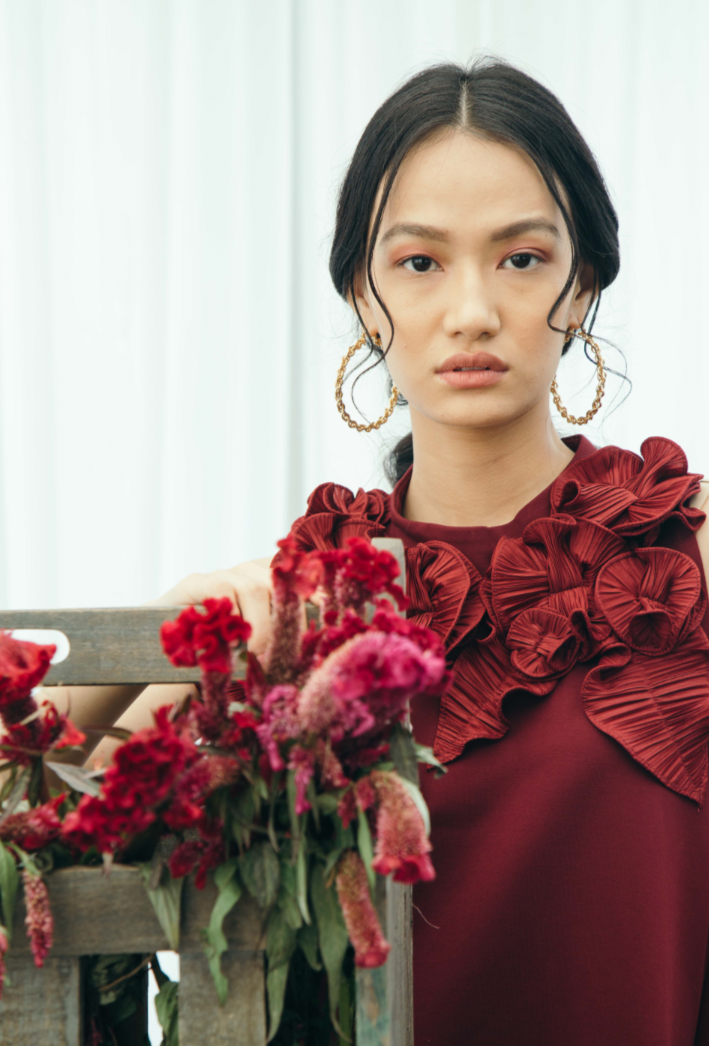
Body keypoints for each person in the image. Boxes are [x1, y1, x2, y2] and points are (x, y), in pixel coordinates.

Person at [41, 58, 709, 1045]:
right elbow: (40, 825)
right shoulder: (294, 612)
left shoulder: (681, 564)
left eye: (521, 258)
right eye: (419, 263)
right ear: (361, 292)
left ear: (582, 285)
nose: (471, 309)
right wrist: (175, 612)